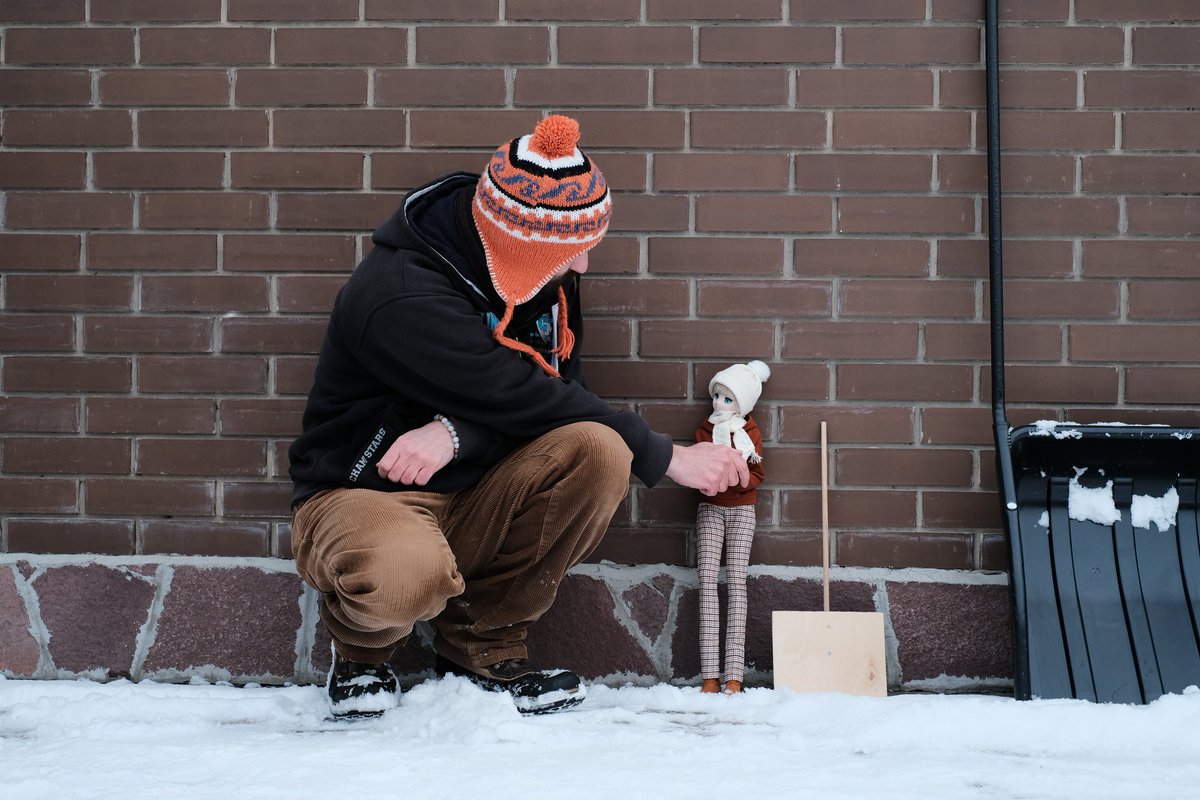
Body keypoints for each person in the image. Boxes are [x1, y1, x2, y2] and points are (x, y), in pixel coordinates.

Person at [288, 114, 749, 718]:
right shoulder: (402, 294)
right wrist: (667, 457)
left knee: (597, 448)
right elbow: (517, 395)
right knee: (406, 572)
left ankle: (482, 646)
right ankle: (361, 653)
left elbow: (555, 399)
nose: (582, 268)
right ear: (520, 247)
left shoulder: (539, 282)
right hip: (367, 493)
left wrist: (457, 434)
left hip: (480, 493)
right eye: (572, 253)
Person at [693, 360, 769, 695]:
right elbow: (699, 468)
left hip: (742, 510)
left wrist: (738, 478)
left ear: (741, 404)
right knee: (707, 581)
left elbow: (757, 474)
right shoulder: (705, 431)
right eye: (717, 396)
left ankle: (734, 675)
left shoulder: (750, 434)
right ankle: (709, 674)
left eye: (727, 399)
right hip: (710, 509)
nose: (719, 404)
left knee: (737, 583)